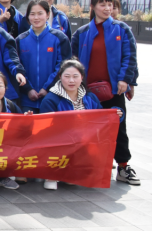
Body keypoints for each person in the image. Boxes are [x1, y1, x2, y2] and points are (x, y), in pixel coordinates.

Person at [71, 0, 139, 185]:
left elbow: (130, 57)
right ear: (93, 7)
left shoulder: (122, 29)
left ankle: (123, 166)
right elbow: (73, 60)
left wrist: (125, 80)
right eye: (102, 5)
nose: (107, 8)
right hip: (87, 92)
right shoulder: (81, 33)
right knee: (87, 128)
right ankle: (89, 165)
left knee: (118, 127)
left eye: (110, 5)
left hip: (114, 90)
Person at [40, 59, 124, 190]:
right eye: (67, 76)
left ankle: (73, 172)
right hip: (60, 142)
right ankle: (52, 175)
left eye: (75, 76)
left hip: (85, 142)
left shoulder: (90, 97)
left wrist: (115, 114)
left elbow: (101, 118)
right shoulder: (51, 99)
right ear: (60, 77)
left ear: (82, 77)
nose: (71, 80)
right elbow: (45, 129)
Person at [16, 0, 72, 114]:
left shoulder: (60, 38)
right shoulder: (20, 40)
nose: (36, 18)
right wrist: (28, 89)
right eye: (32, 14)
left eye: (40, 13)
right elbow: (17, 67)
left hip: (53, 98)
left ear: (48, 14)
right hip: (27, 100)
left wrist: (47, 88)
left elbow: (63, 66)